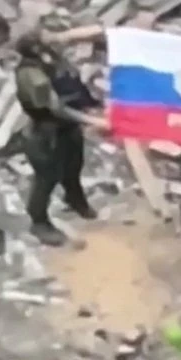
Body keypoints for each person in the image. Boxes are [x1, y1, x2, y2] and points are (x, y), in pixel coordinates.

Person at [14, 34, 108, 246]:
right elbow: (56, 108)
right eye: (50, 40)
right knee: (46, 178)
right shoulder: (32, 75)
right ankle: (39, 222)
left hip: (67, 128)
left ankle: (75, 200)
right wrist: (92, 120)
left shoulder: (54, 61)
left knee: (73, 166)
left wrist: (93, 104)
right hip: (45, 133)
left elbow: (74, 85)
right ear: (37, 49)